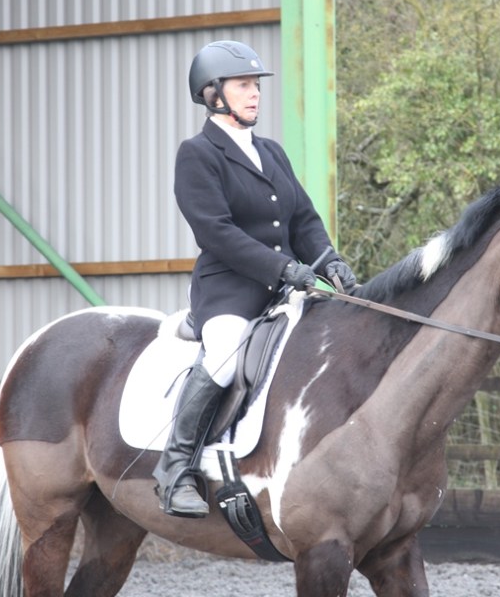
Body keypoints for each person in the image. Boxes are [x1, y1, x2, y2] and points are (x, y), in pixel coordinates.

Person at [153, 40, 357, 517]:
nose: (255, 94)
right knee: (225, 356)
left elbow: (302, 219)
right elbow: (216, 232)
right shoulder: (197, 154)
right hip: (229, 291)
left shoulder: (271, 152)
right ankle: (175, 467)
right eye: (243, 85)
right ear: (213, 94)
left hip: (285, 289)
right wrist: (282, 268)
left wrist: (328, 261)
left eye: (256, 86)